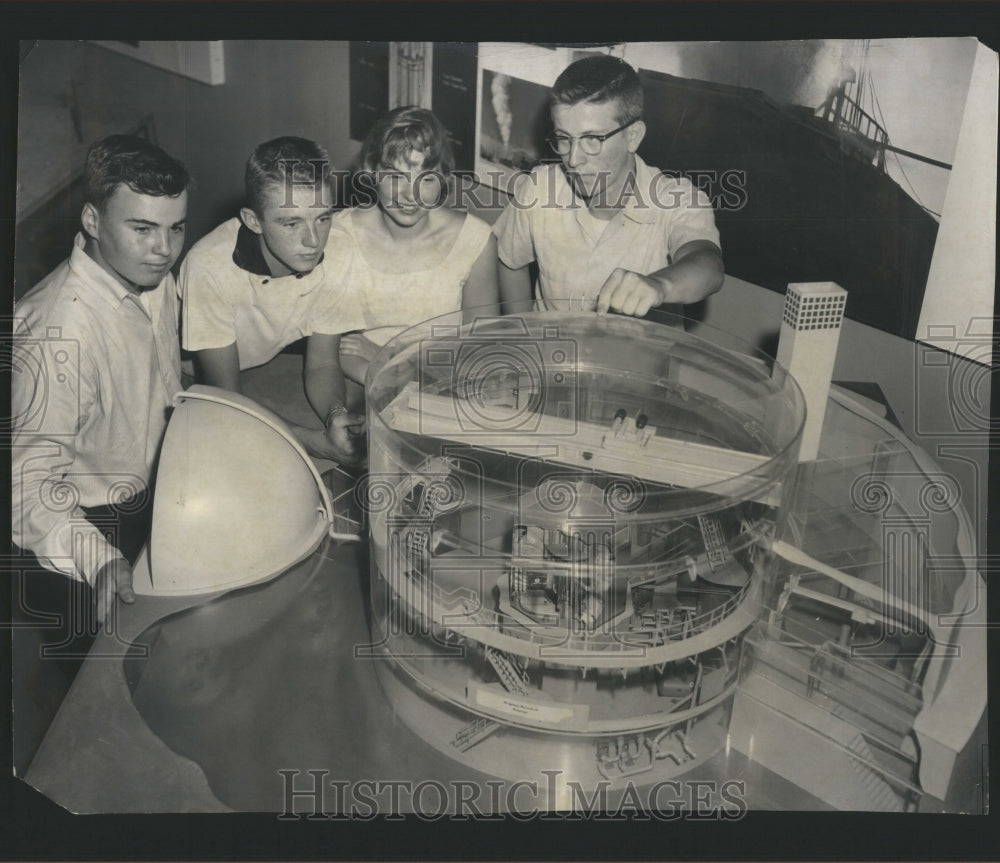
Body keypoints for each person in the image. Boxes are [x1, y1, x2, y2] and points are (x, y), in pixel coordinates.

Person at [12, 135, 191, 622]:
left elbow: (162, 379)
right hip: (89, 529)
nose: (164, 250)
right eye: (143, 228)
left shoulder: (150, 275)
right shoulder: (55, 333)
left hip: (161, 486)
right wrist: (99, 561)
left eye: (176, 229)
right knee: (96, 677)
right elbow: (26, 489)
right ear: (92, 220)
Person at [494, 54, 724, 318]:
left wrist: (659, 285)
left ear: (632, 137)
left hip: (638, 359)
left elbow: (709, 266)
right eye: (564, 139)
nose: (573, 159)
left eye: (592, 139)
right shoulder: (538, 187)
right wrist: (527, 335)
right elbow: (510, 261)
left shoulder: (678, 199)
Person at [180, 137, 364, 464]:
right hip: (188, 379)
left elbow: (322, 362)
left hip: (265, 363)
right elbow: (226, 399)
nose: (313, 240)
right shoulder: (208, 266)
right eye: (291, 223)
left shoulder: (340, 247)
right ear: (254, 221)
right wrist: (317, 443)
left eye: (322, 218)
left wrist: (336, 416)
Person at [330, 106, 499, 385]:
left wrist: (390, 355)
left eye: (427, 178)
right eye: (396, 177)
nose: (411, 195)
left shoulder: (476, 240)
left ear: (444, 176)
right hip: (359, 383)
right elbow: (337, 349)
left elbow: (482, 352)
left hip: (448, 385)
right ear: (371, 172)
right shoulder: (340, 234)